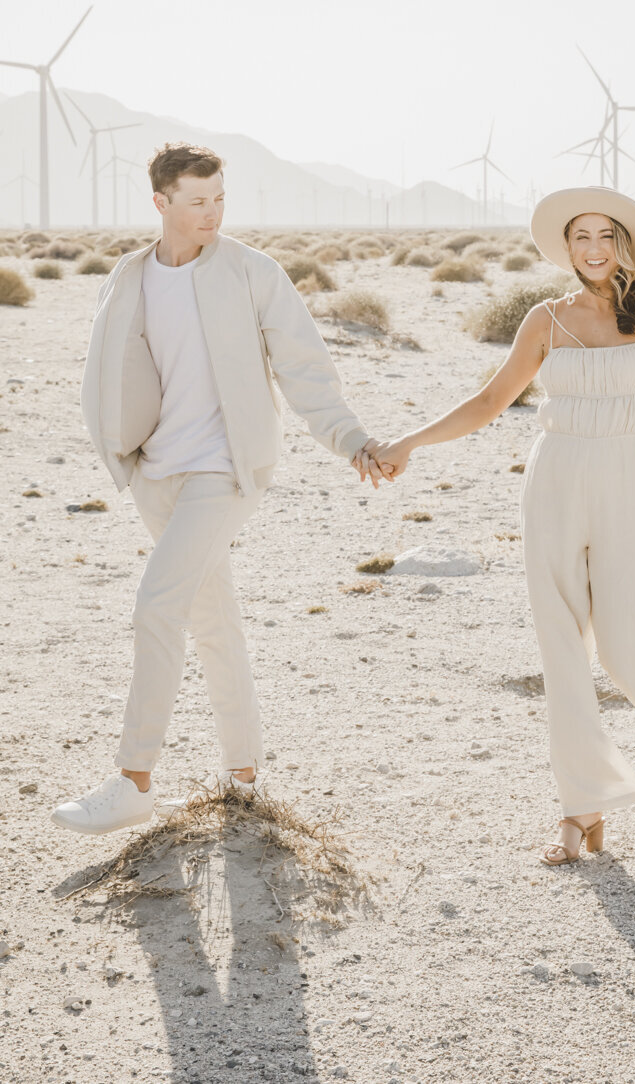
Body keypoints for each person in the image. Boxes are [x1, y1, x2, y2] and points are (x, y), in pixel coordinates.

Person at [366, 186, 635, 864]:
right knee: (562, 644)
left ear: (623, 245)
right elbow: (493, 399)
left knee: (629, 633)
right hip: (556, 480)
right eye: (580, 237)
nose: (592, 248)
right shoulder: (546, 320)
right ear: (565, 248)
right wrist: (410, 441)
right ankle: (581, 810)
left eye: (606, 236)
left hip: (631, 480)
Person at [52, 143, 387, 836]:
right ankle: (244, 776)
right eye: (197, 201)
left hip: (227, 470)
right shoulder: (129, 275)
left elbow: (305, 368)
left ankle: (133, 779)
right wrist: (120, 454)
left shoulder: (252, 273)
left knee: (158, 604)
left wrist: (351, 438)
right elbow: (102, 370)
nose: (211, 213)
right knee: (213, 621)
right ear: (162, 203)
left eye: (220, 199)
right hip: (156, 470)